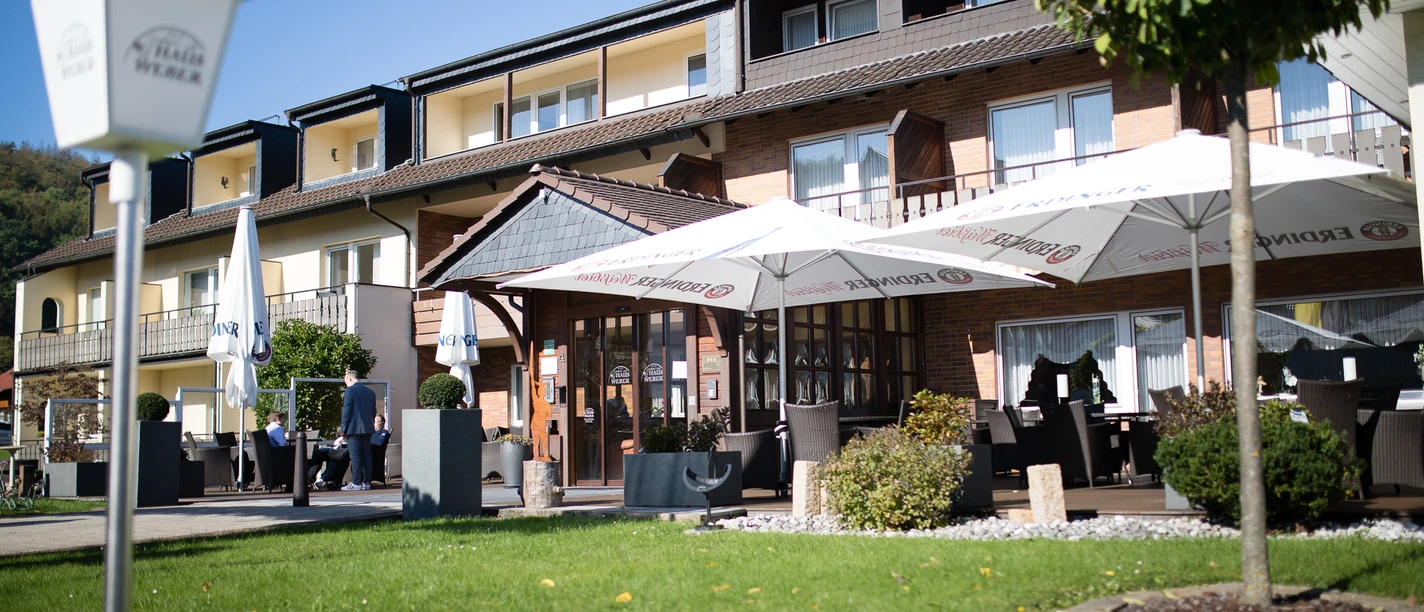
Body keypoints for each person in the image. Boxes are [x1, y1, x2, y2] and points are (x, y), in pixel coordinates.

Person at [340, 368, 376, 491]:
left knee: (355, 455)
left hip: (353, 428)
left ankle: (356, 482)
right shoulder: (370, 392)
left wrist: (343, 427)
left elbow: (347, 410)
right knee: (367, 454)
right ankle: (367, 481)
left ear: (350, 379)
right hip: (368, 427)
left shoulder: (350, 390)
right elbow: (373, 410)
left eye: (346, 381)